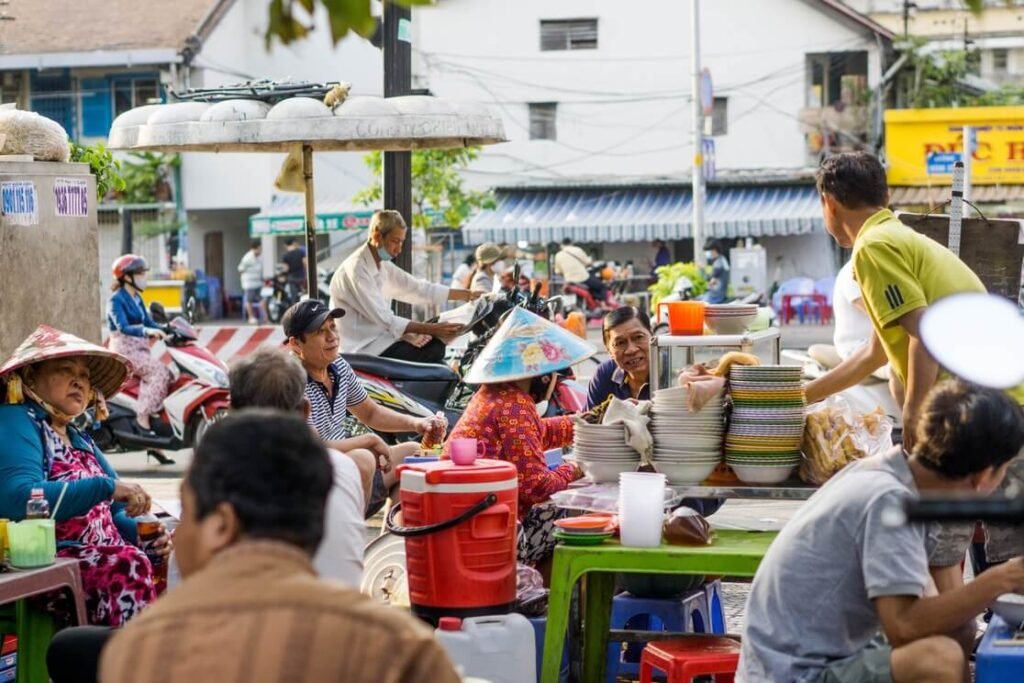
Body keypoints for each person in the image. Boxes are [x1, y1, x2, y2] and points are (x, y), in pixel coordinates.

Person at [99, 411, 461, 683]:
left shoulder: (141, 652)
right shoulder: (402, 648)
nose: (176, 532)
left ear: (220, 525)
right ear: (317, 524)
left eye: (185, 514)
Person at [802, 152, 1024, 590]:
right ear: (884, 196)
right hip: (1000, 400)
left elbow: (927, 335)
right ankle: (979, 642)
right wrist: (799, 397)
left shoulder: (874, 247)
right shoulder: (896, 236)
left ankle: (959, 644)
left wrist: (912, 415)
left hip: (973, 410)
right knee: (986, 547)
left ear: (829, 203)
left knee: (942, 547)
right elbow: (875, 354)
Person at [737, 380, 1024, 683]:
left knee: (959, 627)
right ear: (983, 476)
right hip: (791, 673)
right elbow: (903, 626)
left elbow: (932, 608)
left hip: (824, 653)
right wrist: (1000, 579)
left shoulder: (893, 476)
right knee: (938, 660)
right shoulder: (888, 501)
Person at [0, 325, 169, 627]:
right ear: (30, 378)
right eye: (66, 370)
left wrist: (152, 535)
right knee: (126, 565)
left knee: (179, 554)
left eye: (85, 376)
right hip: (49, 564)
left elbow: (117, 513)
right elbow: (18, 499)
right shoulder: (17, 420)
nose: (79, 381)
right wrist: (105, 488)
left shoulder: (80, 438)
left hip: (100, 559)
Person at [443, 308, 592, 569]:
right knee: (575, 515)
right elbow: (537, 487)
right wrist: (578, 468)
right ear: (543, 375)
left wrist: (585, 424)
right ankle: (548, 600)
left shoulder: (495, 394)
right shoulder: (515, 405)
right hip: (487, 529)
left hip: (466, 519)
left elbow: (533, 435)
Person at [282, 300, 446, 518]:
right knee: (363, 457)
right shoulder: (291, 380)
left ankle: (393, 542)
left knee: (413, 455)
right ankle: (350, 541)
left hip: (348, 469)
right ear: (296, 344)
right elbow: (310, 448)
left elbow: (370, 413)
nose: (332, 337)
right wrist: (368, 440)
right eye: (321, 332)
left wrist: (417, 423)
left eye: (332, 327)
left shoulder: (338, 365)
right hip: (311, 482)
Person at [228, 347, 365, 586]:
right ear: (305, 411)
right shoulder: (342, 466)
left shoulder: (216, 476)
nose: (331, 338)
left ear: (231, 412)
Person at [329, 209, 478, 364]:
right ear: (377, 236)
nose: (399, 249)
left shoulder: (382, 266)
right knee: (435, 348)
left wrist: (468, 295)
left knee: (436, 340)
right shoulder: (357, 269)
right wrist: (430, 330)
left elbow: (418, 288)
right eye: (395, 241)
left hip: (383, 339)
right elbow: (384, 318)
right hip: (364, 349)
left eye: (401, 242)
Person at [106, 254, 171, 435]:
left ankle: (154, 428)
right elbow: (123, 326)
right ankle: (143, 417)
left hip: (140, 349)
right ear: (127, 277)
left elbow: (150, 323)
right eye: (140, 273)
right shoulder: (116, 300)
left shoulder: (137, 298)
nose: (144, 277)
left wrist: (169, 327)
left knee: (171, 374)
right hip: (125, 351)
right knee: (160, 371)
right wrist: (146, 331)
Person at [586, 306, 654, 407]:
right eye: (620, 343)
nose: (631, 350)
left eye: (638, 337)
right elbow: (590, 419)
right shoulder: (605, 374)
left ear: (652, 336)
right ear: (609, 350)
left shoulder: (672, 371)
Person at [554, 237, 607, 305]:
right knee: (600, 286)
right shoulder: (578, 250)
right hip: (583, 278)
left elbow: (558, 271)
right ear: (571, 243)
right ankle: (602, 305)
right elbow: (588, 263)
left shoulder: (558, 255)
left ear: (561, 245)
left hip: (569, 280)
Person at [237, 238, 266, 325]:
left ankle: (265, 318)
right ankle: (251, 317)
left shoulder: (258, 257)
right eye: (260, 248)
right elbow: (240, 269)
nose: (261, 250)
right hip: (249, 284)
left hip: (257, 283)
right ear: (256, 248)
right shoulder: (248, 258)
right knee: (249, 300)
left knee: (262, 300)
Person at [699, 239, 730, 304]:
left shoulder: (718, 263)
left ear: (714, 250)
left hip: (715, 296)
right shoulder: (722, 260)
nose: (707, 254)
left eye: (708, 251)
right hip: (718, 294)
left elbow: (710, 279)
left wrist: (702, 270)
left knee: (699, 303)